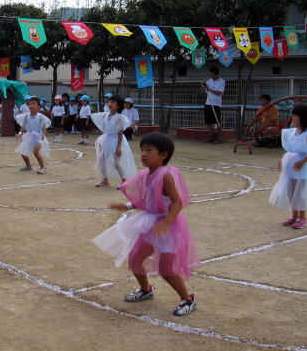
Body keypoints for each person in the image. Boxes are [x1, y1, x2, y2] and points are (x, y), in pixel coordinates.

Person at [93, 132, 200, 316]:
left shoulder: (166, 176)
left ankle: (188, 299)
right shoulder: (145, 175)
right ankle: (146, 290)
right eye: (142, 150)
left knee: (166, 269)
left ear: (163, 155)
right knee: (135, 259)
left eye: (149, 150)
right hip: (150, 224)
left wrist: (167, 221)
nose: (143, 154)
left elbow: (177, 202)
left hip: (168, 227)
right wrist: (127, 206)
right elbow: (146, 199)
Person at [269, 104, 307, 229]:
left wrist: (303, 161)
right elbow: (290, 150)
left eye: (295, 116)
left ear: (304, 118)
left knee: (300, 193)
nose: (293, 118)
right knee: (291, 192)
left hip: (302, 168)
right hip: (291, 167)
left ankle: (302, 218)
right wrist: (282, 160)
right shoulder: (293, 132)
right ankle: (294, 216)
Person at [91, 95, 137, 187]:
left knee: (116, 162)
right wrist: (102, 141)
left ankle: (124, 181)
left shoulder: (119, 117)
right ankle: (105, 180)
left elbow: (120, 133)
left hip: (116, 141)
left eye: (112, 102)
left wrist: (119, 147)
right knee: (102, 161)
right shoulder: (105, 115)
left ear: (118, 106)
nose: (109, 103)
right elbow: (106, 129)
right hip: (107, 140)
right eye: (109, 101)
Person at [15, 96, 51, 174]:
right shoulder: (26, 116)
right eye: (30, 104)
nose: (32, 106)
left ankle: (43, 167)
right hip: (29, 136)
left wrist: (43, 135)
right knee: (23, 152)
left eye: (34, 104)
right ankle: (28, 166)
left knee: (36, 152)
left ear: (38, 106)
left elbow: (44, 128)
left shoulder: (40, 117)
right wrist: (20, 133)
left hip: (39, 137)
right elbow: (23, 127)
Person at [202, 66, 225, 144]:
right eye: (210, 74)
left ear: (216, 74)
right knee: (208, 121)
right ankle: (211, 136)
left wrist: (209, 89)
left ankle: (220, 137)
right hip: (208, 103)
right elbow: (205, 90)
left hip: (216, 104)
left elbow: (219, 93)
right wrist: (204, 87)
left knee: (217, 121)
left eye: (212, 74)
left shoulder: (222, 81)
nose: (211, 76)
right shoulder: (209, 81)